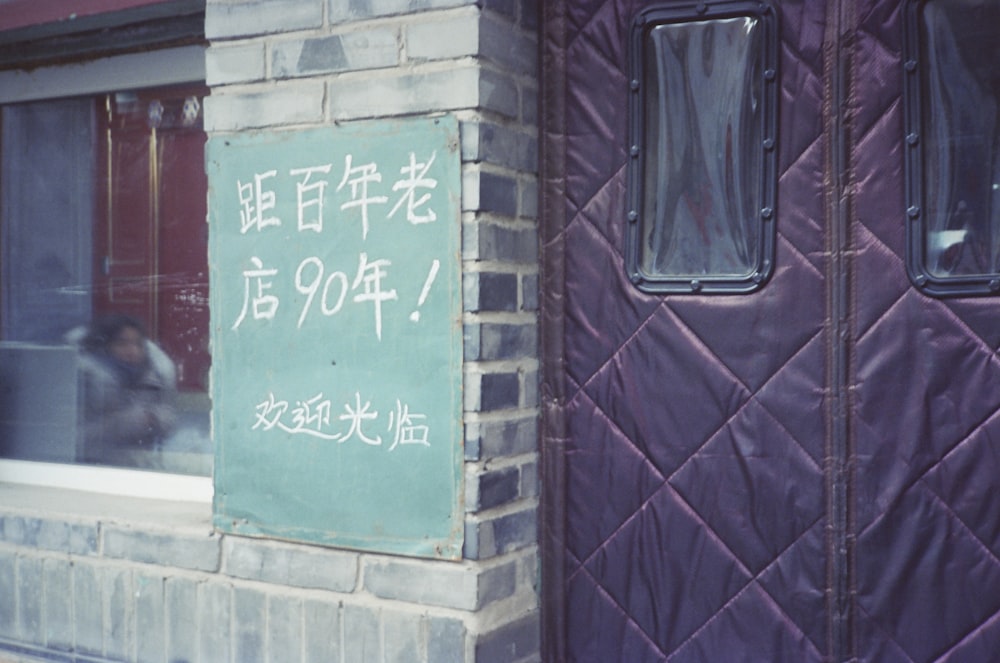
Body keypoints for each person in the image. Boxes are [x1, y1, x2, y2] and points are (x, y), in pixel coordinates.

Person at [72, 314, 177, 465]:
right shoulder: (84, 379)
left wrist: (157, 419)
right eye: (122, 344)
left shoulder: (155, 375)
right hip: (92, 466)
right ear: (104, 346)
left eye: (138, 344)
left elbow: (170, 415)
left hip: (140, 464)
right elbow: (72, 439)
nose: (132, 351)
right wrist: (125, 423)